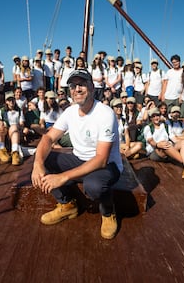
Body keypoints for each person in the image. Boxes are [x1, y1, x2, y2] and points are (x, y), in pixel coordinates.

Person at [31, 69, 123, 240]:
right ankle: (67, 205)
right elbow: (49, 137)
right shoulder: (70, 112)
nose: (77, 89)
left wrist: (63, 177)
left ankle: (108, 211)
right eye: (73, 86)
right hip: (80, 160)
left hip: (105, 166)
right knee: (43, 158)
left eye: (82, 84)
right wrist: (38, 163)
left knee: (93, 185)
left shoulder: (105, 114)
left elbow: (101, 159)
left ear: (92, 87)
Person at [142, 107, 184, 180]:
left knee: (182, 143)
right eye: (153, 116)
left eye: (157, 115)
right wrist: (157, 144)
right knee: (165, 144)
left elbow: (174, 139)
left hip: (168, 149)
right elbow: (151, 141)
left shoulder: (166, 126)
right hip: (155, 152)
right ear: (150, 118)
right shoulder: (148, 128)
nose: (156, 118)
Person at [0, 91, 24, 166]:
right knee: (0, 125)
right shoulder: (2, 111)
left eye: (12, 99)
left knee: (14, 127)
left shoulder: (19, 110)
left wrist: (18, 127)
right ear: (6, 101)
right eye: (9, 100)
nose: (11, 102)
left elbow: (22, 123)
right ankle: (2, 150)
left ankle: (15, 152)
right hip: (5, 132)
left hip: (15, 131)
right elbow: (0, 122)